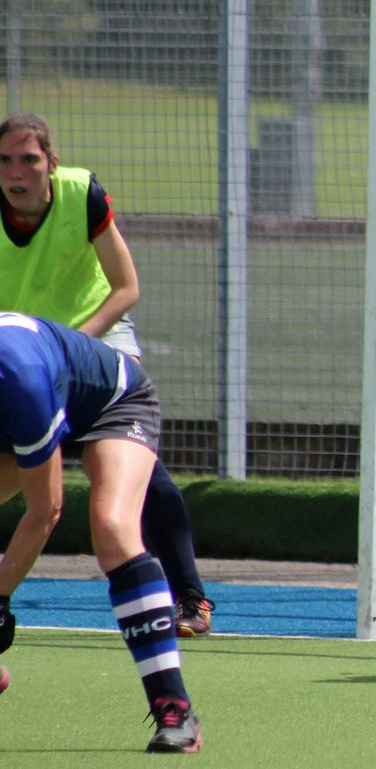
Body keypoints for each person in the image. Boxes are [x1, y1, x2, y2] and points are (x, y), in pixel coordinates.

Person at [0, 113, 215, 637]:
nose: (16, 173)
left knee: (136, 471)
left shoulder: (82, 195)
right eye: (4, 160)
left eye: (29, 159)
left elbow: (126, 288)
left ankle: (191, 598)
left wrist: (76, 349)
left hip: (97, 339)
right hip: (21, 354)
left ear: (51, 163)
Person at [0, 312, 202, 751]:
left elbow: (45, 510)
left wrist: (0, 598)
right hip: (34, 403)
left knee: (112, 526)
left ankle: (175, 708)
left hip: (114, 403)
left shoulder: (20, 379)